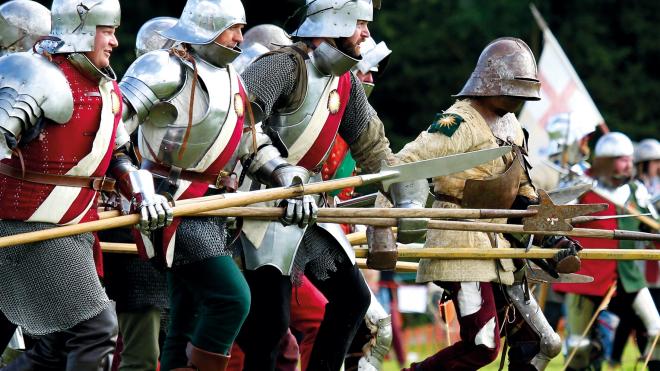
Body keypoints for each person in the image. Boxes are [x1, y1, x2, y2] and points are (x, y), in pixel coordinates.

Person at [119, 1, 316, 369]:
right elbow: (111, 127)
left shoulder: (231, 77)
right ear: (206, 27)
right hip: (169, 203)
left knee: (188, 311)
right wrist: (138, 187)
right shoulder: (163, 68)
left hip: (212, 207)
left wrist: (283, 172)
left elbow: (250, 142)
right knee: (232, 298)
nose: (240, 37)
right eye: (233, 28)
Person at [376, 37, 580, 370]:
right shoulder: (458, 122)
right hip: (461, 241)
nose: (518, 100)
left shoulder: (513, 125)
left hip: (500, 244)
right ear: (493, 83)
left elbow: (523, 189)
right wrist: (382, 226)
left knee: (538, 344)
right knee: (482, 343)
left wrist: (551, 233)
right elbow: (403, 165)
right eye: (514, 90)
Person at [0, 0, 173, 369]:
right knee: (95, 328)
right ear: (81, 28)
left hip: (73, 227)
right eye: (107, 31)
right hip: (27, 226)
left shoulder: (107, 90)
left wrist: (142, 195)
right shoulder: (35, 75)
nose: (113, 42)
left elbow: (118, 155)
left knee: (57, 344)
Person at [237, 0, 396, 369]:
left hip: (305, 207)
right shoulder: (285, 65)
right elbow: (241, 121)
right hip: (259, 203)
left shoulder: (345, 81)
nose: (366, 33)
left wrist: (403, 184)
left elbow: (373, 146)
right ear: (333, 22)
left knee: (352, 301)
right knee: (270, 325)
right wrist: (278, 169)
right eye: (359, 24)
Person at [554, 132, 660, 370]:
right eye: (623, 160)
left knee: (657, 331)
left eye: (630, 160)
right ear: (606, 160)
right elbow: (554, 221)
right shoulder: (580, 185)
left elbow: (652, 228)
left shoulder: (636, 191)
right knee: (578, 346)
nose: (629, 165)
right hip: (587, 274)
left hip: (627, 275)